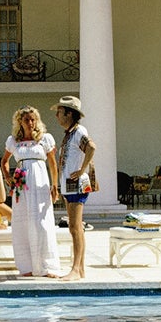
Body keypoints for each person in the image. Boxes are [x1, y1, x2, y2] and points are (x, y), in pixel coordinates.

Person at [4, 106, 60, 278]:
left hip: (41, 183)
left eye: (33, 119)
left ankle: (47, 266)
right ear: (20, 121)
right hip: (22, 185)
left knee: (42, 223)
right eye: (26, 119)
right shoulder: (13, 141)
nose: (30, 123)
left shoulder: (45, 139)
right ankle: (26, 266)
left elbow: (52, 163)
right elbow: (4, 161)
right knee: (23, 224)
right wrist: (9, 179)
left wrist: (54, 185)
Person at [53, 96, 97, 282]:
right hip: (69, 186)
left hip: (77, 185)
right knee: (74, 227)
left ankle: (77, 269)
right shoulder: (70, 133)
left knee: (76, 227)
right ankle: (79, 269)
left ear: (69, 113)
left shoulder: (79, 131)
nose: (57, 116)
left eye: (60, 112)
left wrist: (82, 169)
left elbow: (91, 147)